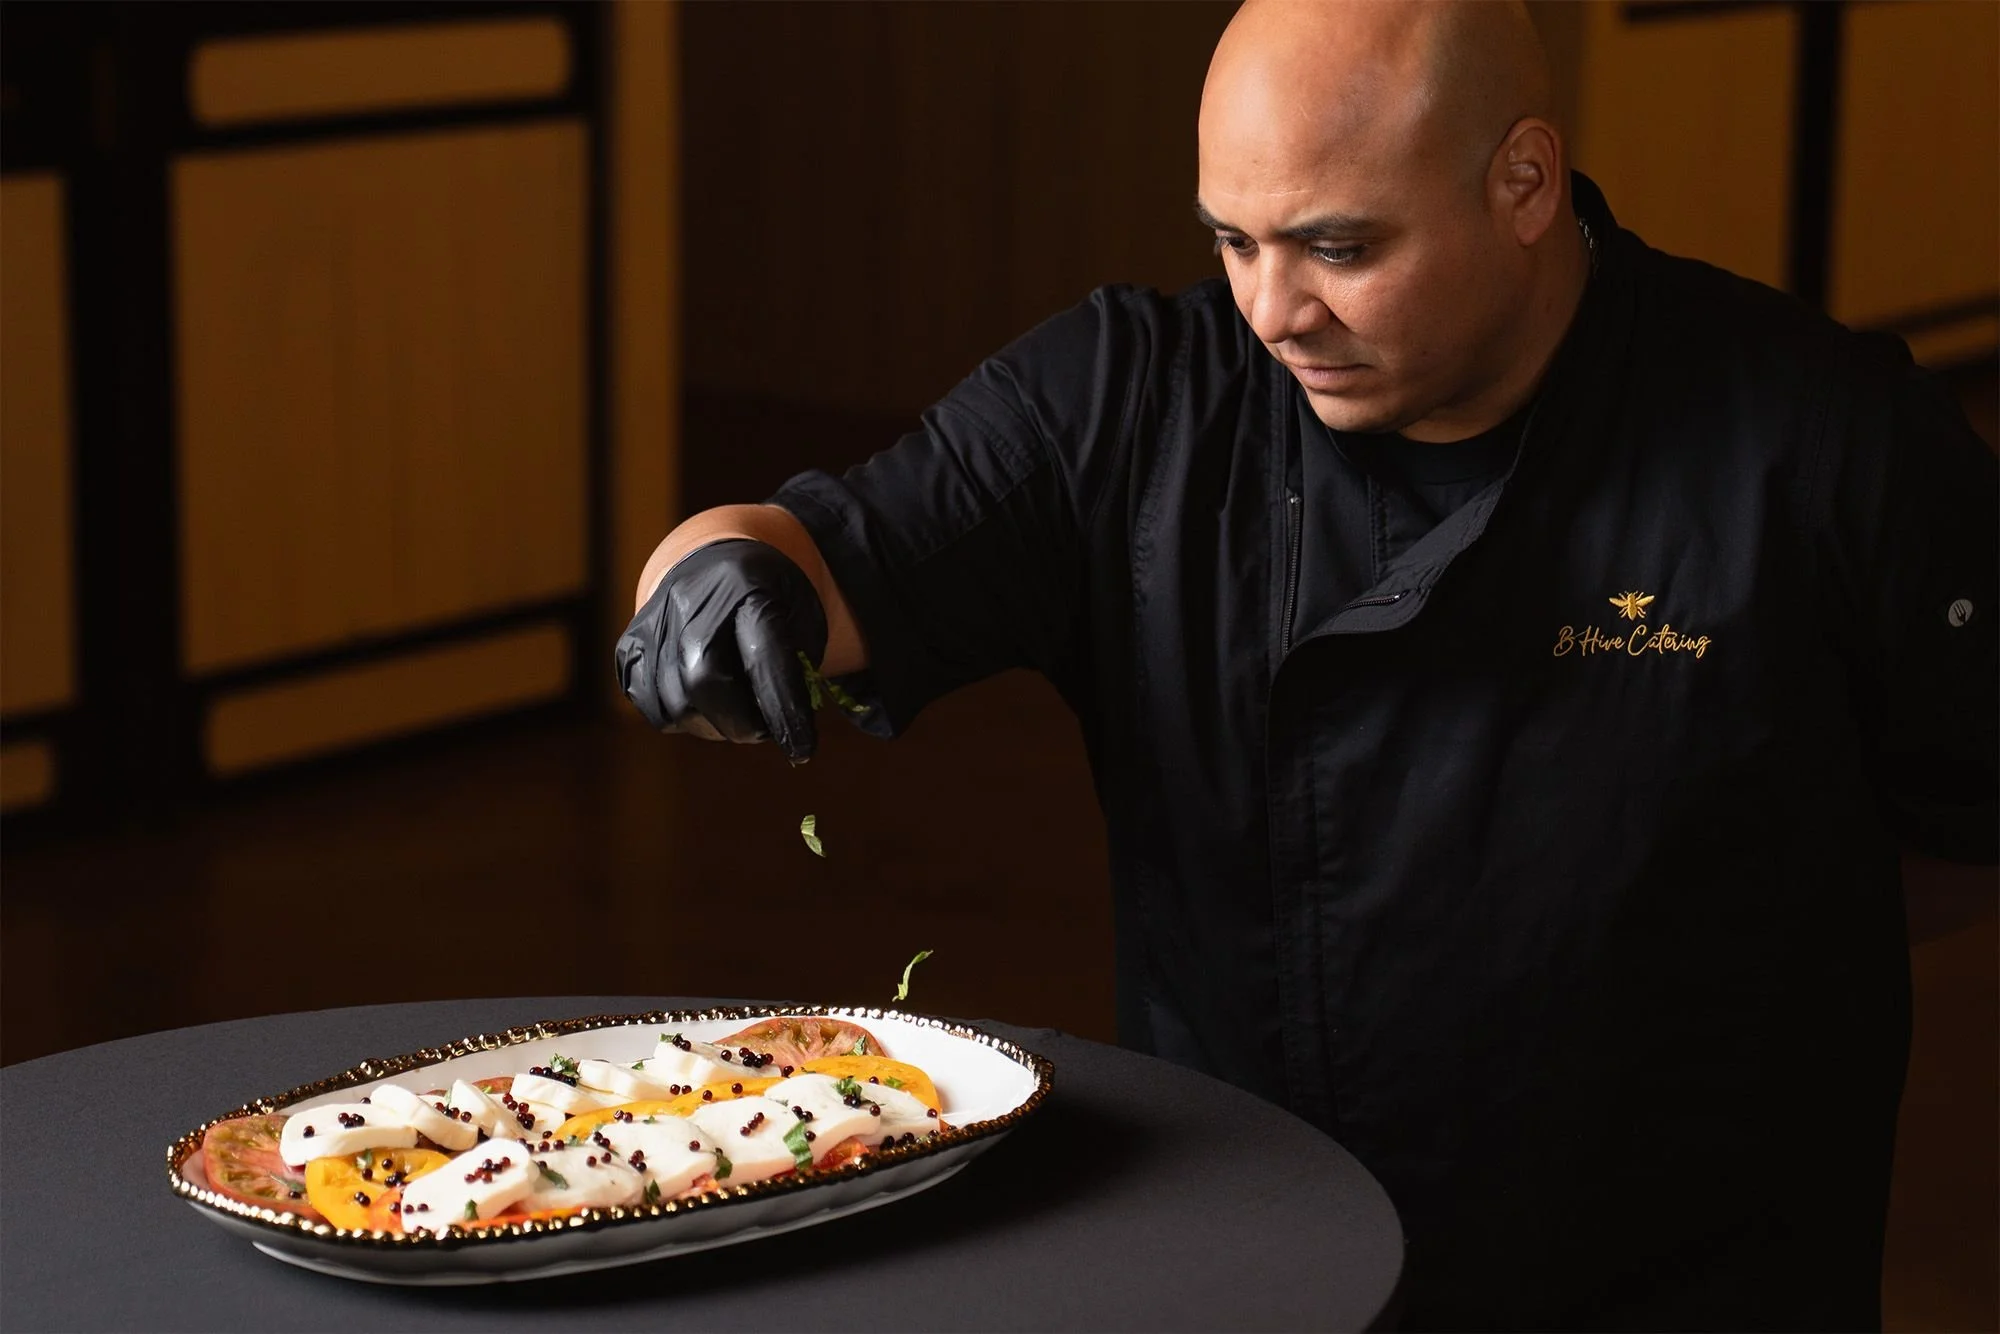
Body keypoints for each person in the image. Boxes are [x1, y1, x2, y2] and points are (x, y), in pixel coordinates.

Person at [616, 1, 1997, 1327]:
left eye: (1339, 247)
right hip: (1259, 1261)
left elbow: (1966, 822)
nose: (1275, 310)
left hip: (1685, 1282)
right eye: (1234, 240)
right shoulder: (1133, 399)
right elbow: (826, 547)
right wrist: (716, 575)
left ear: (1525, 180)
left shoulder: (1820, 440)